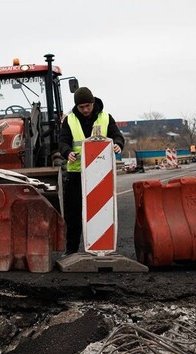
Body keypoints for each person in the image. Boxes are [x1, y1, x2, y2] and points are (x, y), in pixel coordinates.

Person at [59, 87, 124, 256]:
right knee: (73, 214)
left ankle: (101, 248)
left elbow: (117, 135)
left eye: (88, 106)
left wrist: (118, 144)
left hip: (100, 174)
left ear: (93, 103)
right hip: (76, 174)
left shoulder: (106, 118)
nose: (85, 110)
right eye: (81, 107)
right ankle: (71, 250)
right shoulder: (70, 120)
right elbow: (63, 141)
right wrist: (67, 152)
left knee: (101, 211)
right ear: (77, 107)